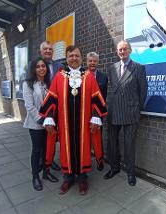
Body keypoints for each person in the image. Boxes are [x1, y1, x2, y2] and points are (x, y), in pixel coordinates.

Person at [39, 45, 107, 195]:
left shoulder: (88, 76)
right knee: (66, 149)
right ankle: (68, 178)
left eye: (76, 55)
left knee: (83, 149)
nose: (74, 58)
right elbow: (52, 98)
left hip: (83, 124)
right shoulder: (59, 76)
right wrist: (49, 117)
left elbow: (97, 97)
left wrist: (96, 115)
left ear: (81, 58)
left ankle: (82, 179)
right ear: (67, 58)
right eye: (71, 56)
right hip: (65, 125)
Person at [103, 40, 148, 186]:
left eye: (125, 49)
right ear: (117, 52)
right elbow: (114, 89)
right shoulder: (112, 68)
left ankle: (130, 173)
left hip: (131, 112)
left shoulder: (138, 68)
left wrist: (137, 109)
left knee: (129, 145)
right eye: (120, 50)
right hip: (114, 111)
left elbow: (143, 92)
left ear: (130, 50)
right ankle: (114, 168)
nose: (122, 52)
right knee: (112, 142)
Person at [23, 57, 59, 191]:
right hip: (36, 124)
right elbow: (29, 106)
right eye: (38, 66)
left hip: (50, 123)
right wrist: (43, 120)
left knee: (47, 149)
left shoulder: (50, 83)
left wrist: (51, 119)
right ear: (34, 69)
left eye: (43, 66)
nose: (41, 68)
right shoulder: (28, 84)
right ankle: (35, 176)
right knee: (37, 150)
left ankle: (46, 173)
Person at [40, 41, 63, 170]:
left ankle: (50, 160)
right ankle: (40, 164)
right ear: (41, 51)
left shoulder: (59, 66)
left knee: (52, 136)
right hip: (41, 108)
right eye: (45, 49)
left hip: (55, 109)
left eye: (50, 49)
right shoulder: (36, 65)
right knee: (40, 140)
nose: (48, 51)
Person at [86, 52, 108, 159]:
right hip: (84, 112)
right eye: (90, 61)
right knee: (85, 137)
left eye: (94, 61)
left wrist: (100, 114)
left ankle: (100, 159)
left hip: (98, 112)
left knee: (98, 137)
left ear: (98, 62)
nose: (92, 63)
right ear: (87, 62)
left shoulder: (103, 77)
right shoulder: (81, 76)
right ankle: (86, 157)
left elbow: (104, 97)